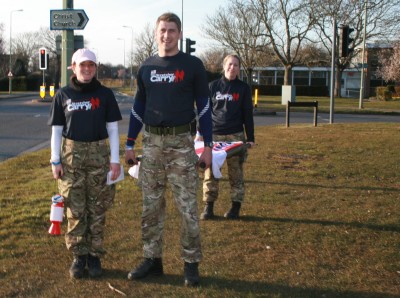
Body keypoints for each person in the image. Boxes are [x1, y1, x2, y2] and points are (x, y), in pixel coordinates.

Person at [124, 12, 212, 287]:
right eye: (162, 30)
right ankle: (153, 260)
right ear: (155, 33)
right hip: (151, 145)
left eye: (172, 30)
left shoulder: (193, 65)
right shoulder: (146, 67)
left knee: (186, 207)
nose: (167, 35)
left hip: (182, 145)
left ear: (179, 34)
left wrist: (207, 145)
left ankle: (191, 263)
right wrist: (129, 143)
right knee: (151, 206)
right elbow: (139, 107)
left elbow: (205, 107)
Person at [47, 48, 122, 279]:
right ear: (73, 67)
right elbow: (57, 131)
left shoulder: (105, 94)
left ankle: (95, 255)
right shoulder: (63, 95)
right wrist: (55, 161)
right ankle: (79, 256)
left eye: (91, 65)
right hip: (71, 160)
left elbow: (113, 129)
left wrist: (115, 160)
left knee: (97, 208)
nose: (87, 69)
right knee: (75, 208)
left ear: (95, 68)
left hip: (99, 158)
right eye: (82, 65)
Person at [197, 54, 255, 220]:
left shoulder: (243, 88)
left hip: (235, 137)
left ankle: (235, 208)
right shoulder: (212, 86)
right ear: (224, 66)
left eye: (236, 65)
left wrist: (250, 137)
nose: (232, 68)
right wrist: (200, 132)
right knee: (210, 172)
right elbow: (204, 111)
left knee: (236, 173)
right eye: (230, 64)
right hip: (214, 136)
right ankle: (208, 208)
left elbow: (247, 114)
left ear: (239, 68)